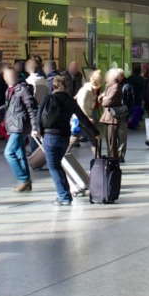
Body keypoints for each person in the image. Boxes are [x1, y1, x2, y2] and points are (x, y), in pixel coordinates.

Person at [40, 74, 93, 206]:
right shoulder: (70, 100)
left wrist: (39, 131)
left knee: (53, 166)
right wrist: (95, 132)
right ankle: (65, 194)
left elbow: (39, 115)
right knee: (57, 165)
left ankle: (64, 196)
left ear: (53, 86)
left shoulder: (50, 98)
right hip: (64, 137)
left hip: (50, 136)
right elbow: (82, 118)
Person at [0, 65, 38, 192]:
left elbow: (32, 108)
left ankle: (23, 179)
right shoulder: (10, 90)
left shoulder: (22, 89)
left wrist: (34, 127)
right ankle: (25, 182)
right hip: (14, 125)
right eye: (6, 76)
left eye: (10, 75)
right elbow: (9, 106)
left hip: (20, 126)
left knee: (9, 152)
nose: (8, 78)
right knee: (19, 153)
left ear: (15, 76)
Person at [97, 67, 129, 160]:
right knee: (109, 140)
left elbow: (108, 101)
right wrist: (104, 98)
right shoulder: (109, 85)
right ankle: (112, 158)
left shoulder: (115, 86)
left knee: (112, 141)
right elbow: (102, 98)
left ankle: (113, 159)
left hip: (112, 117)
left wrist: (103, 98)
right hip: (107, 116)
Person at [73, 69, 101, 153]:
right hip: (81, 118)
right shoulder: (85, 91)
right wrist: (89, 118)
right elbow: (81, 106)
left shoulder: (93, 91)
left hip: (86, 118)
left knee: (93, 138)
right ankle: (63, 158)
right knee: (74, 138)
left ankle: (98, 159)